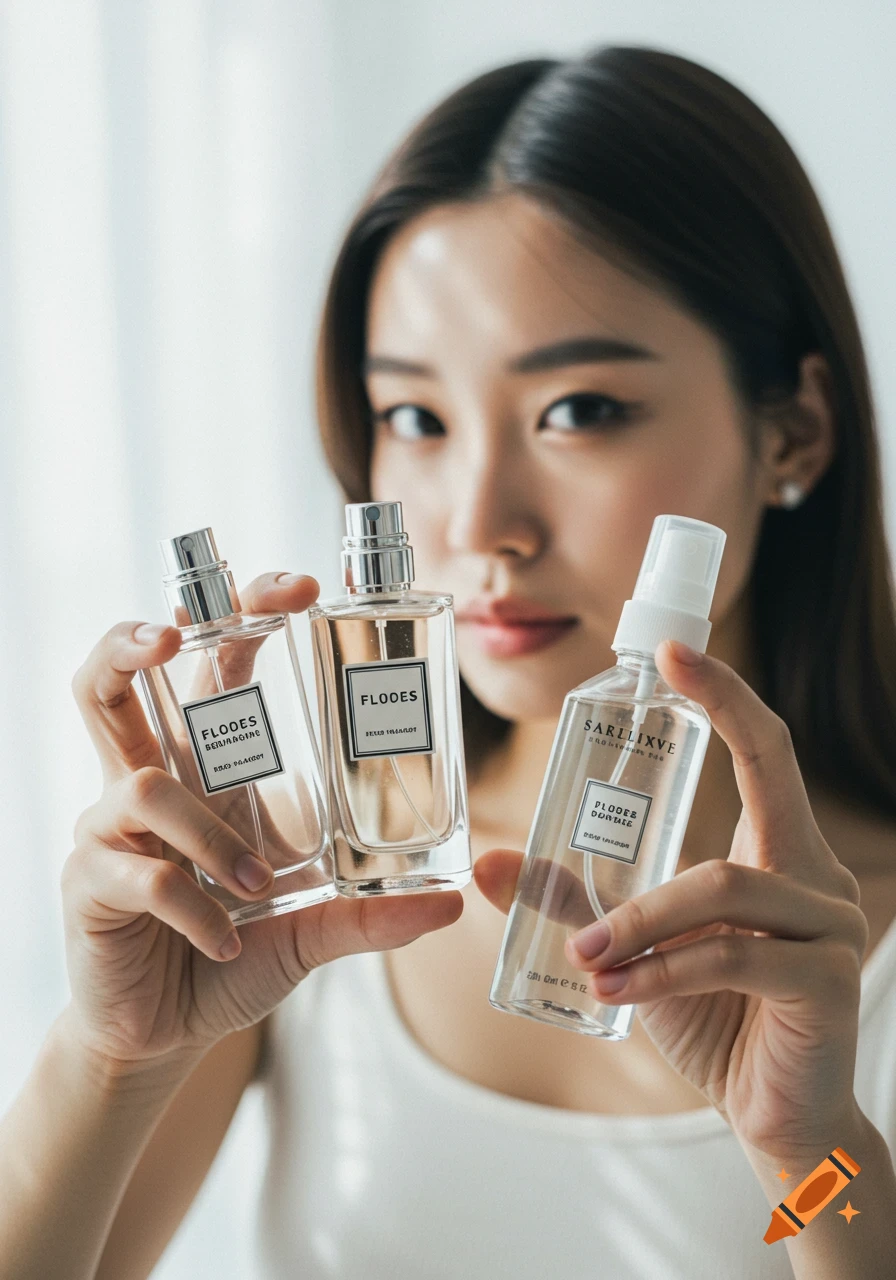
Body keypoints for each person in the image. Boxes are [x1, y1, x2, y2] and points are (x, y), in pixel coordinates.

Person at [2, 45, 896, 1280]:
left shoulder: (854, 952)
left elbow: (825, 1212)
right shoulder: (291, 890)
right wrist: (111, 1055)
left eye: (578, 408)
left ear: (791, 428)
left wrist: (814, 1160)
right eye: (413, 417)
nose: (477, 524)